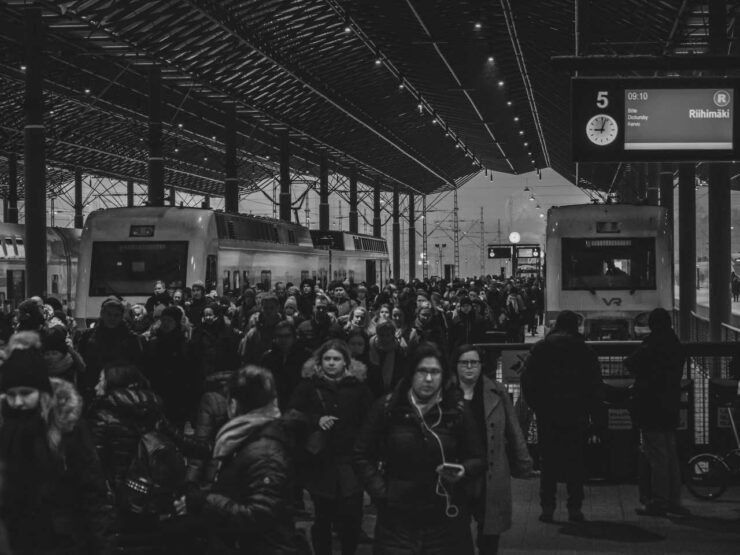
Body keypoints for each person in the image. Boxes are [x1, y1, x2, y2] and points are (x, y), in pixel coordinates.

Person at [353, 343, 485, 555]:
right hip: (397, 521)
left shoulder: (457, 409)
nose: (429, 379)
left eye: (435, 372)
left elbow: (478, 457)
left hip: (445, 518)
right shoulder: (388, 407)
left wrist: (463, 471)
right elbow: (361, 454)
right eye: (422, 371)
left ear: (444, 375)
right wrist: (381, 492)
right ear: (411, 373)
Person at [177, 365, 305, 554]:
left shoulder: (265, 450)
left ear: (233, 404)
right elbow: (238, 487)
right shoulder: (248, 438)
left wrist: (205, 502)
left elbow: (259, 515)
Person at [0, 344, 112, 553]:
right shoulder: (5, 426)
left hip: (61, 537)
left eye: (25, 393)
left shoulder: (67, 426)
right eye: (11, 394)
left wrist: (99, 544)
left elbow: (91, 488)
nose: (18, 401)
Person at [288, 340, 374, 555]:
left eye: (336, 359)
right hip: (321, 462)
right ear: (320, 361)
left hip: (350, 464)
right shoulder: (308, 387)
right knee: (323, 518)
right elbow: (291, 416)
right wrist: (316, 420)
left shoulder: (358, 388)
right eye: (327, 359)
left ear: (346, 362)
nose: (331, 363)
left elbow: (370, 421)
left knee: (351, 520)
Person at [521, 310, 604, 523]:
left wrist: (537, 406)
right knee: (575, 459)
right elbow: (595, 385)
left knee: (547, 460)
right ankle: (574, 508)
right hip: (576, 413)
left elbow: (527, 381)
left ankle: (547, 507)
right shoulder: (585, 350)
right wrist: (593, 413)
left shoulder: (541, 348)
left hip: (547, 413)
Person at [453, 345, 535, 554]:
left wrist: (522, 463)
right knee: (455, 532)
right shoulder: (445, 394)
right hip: (456, 473)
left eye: (475, 362)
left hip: (490, 472)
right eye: (464, 362)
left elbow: (513, 429)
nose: (470, 367)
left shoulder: (496, 392)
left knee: (489, 532)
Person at [624, 308, 690, 517]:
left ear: (653, 324)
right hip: (670, 404)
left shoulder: (652, 344)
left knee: (656, 454)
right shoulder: (675, 344)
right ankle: (674, 499)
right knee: (670, 453)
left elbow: (631, 363)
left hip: (651, 405)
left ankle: (659, 500)